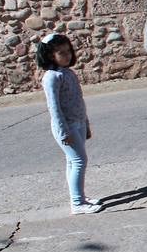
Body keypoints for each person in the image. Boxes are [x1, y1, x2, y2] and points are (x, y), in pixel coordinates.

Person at [36, 33, 102, 215]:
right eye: (61, 52)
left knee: (72, 162)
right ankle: (77, 203)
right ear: (50, 55)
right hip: (67, 127)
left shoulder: (68, 73)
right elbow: (54, 107)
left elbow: (78, 100)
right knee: (79, 161)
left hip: (78, 123)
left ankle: (79, 196)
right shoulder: (51, 77)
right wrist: (64, 131)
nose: (66, 55)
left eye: (68, 51)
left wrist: (86, 124)